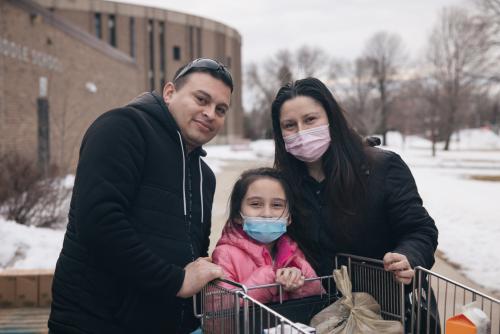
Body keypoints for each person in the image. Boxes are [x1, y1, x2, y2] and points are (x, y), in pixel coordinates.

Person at [48, 58, 233, 334]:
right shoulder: (123, 128)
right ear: (169, 93)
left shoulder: (204, 175)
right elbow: (99, 224)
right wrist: (176, 281)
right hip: (96, 322)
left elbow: (194, 253)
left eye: (220, 109)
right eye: (201, 99)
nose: (210, 113)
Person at [270, 77, 439, 285]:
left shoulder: (382, 168)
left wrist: (408, 257)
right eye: (289, 125)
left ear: (331, 118)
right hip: (314, 310)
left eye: (310, 120)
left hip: (383, 306)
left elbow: (420, 230)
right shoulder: (281, 185)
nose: (301, 132)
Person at [212, 167, 324, 303]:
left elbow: (317, 299)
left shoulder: (294, 253)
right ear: (237, 215)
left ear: (289, 218)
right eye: (255, 204)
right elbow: (220, 311)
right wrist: (270, 278)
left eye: (277, 205)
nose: (267, 213)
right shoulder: (225, 255)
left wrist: (300, 280)